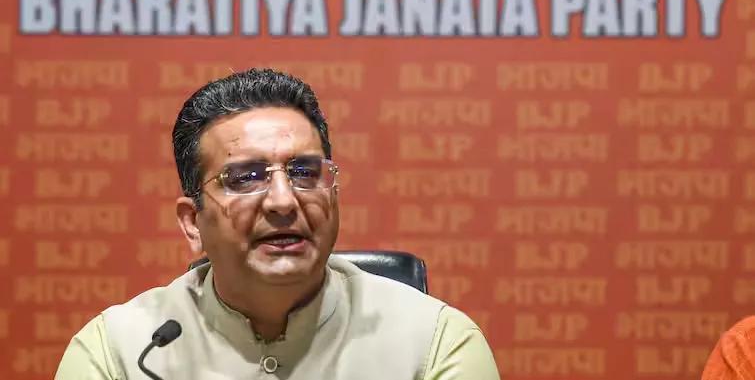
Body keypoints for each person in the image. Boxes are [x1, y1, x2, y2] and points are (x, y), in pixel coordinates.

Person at [55, 68, 500, 379]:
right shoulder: (121, 353)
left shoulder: (434, 344)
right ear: (193, 224)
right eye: (245, 178)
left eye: (305, 172)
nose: (284, 201)